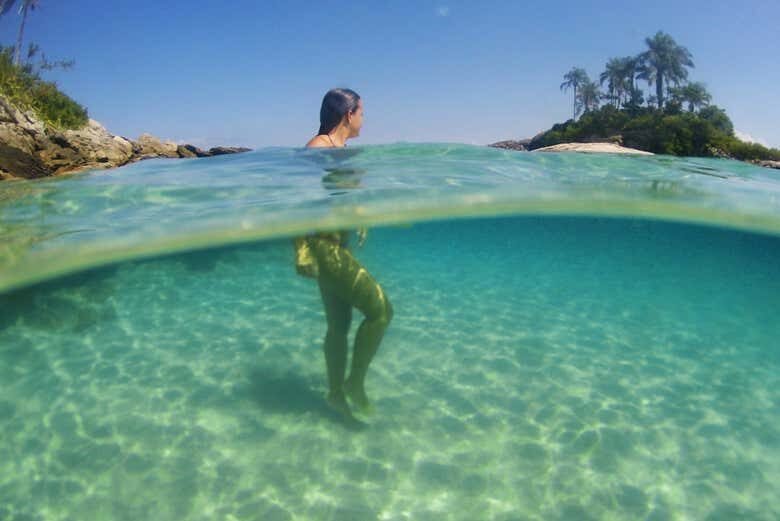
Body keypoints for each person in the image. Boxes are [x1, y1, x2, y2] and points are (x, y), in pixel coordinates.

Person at [297, 88, 393, 419]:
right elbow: (295, 202)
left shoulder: (342, 150)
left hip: (337, 245)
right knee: (381, 311)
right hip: (324, 248)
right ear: (348, 115)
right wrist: (301, 249)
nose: (365, 119)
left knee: (339, 325)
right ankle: (354, 383)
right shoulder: (317, 149)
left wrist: (360, 216)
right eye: (362, 113)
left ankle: (335, 395)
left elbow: (344, 195)